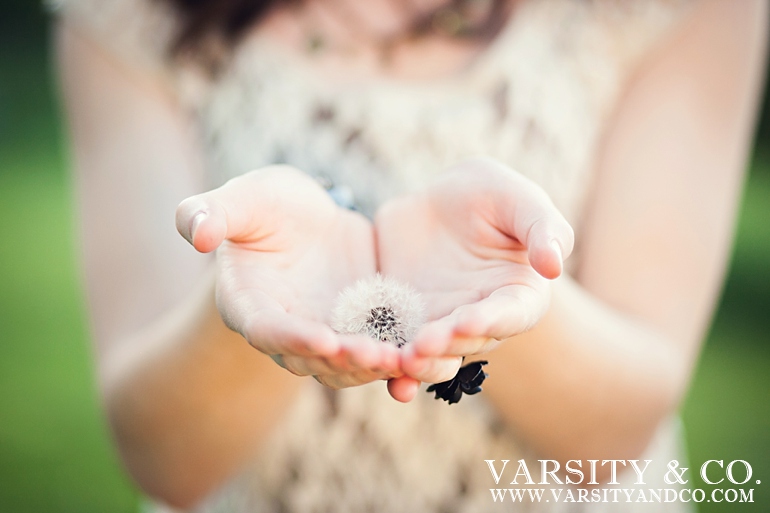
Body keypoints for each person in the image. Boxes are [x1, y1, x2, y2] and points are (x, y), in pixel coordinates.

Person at [55, 0, 767, 511]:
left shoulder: (674, 13)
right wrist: (252, 302)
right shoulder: (130, 22)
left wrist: (498, 288)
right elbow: (162, 459)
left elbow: (616, 438)